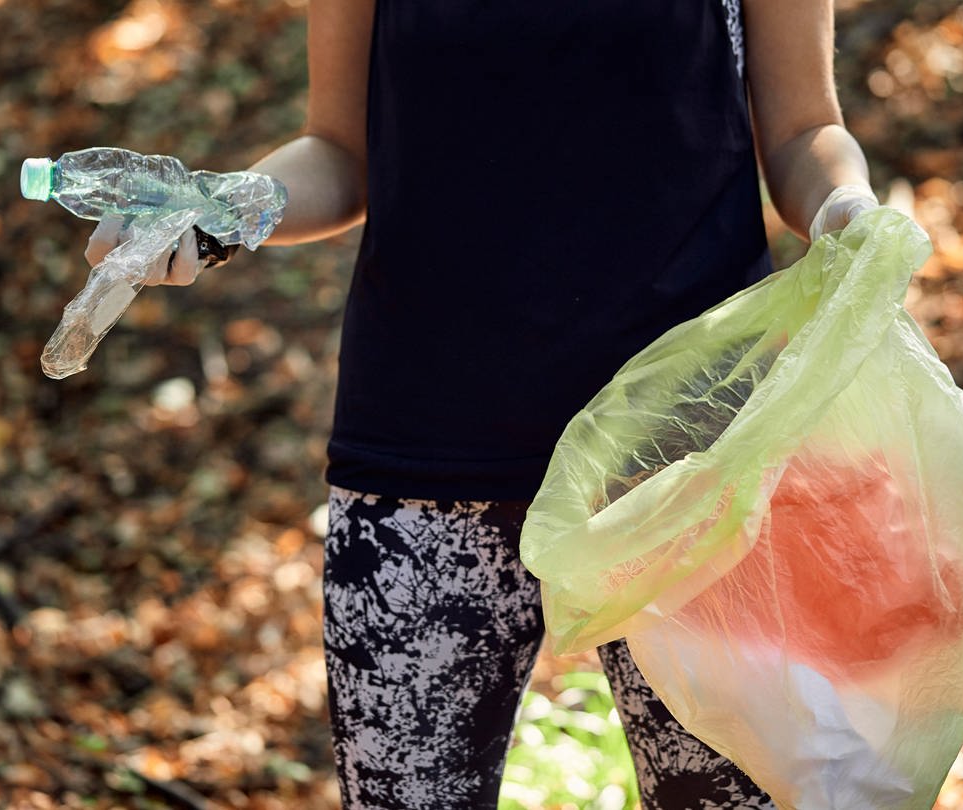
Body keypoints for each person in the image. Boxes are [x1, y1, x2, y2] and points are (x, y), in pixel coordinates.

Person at [87, 1, 880, 807]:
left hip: (688, 456)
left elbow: (801, 129)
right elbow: (337, 151)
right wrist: (221, 208)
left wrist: (847, 207)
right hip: (423, 449)